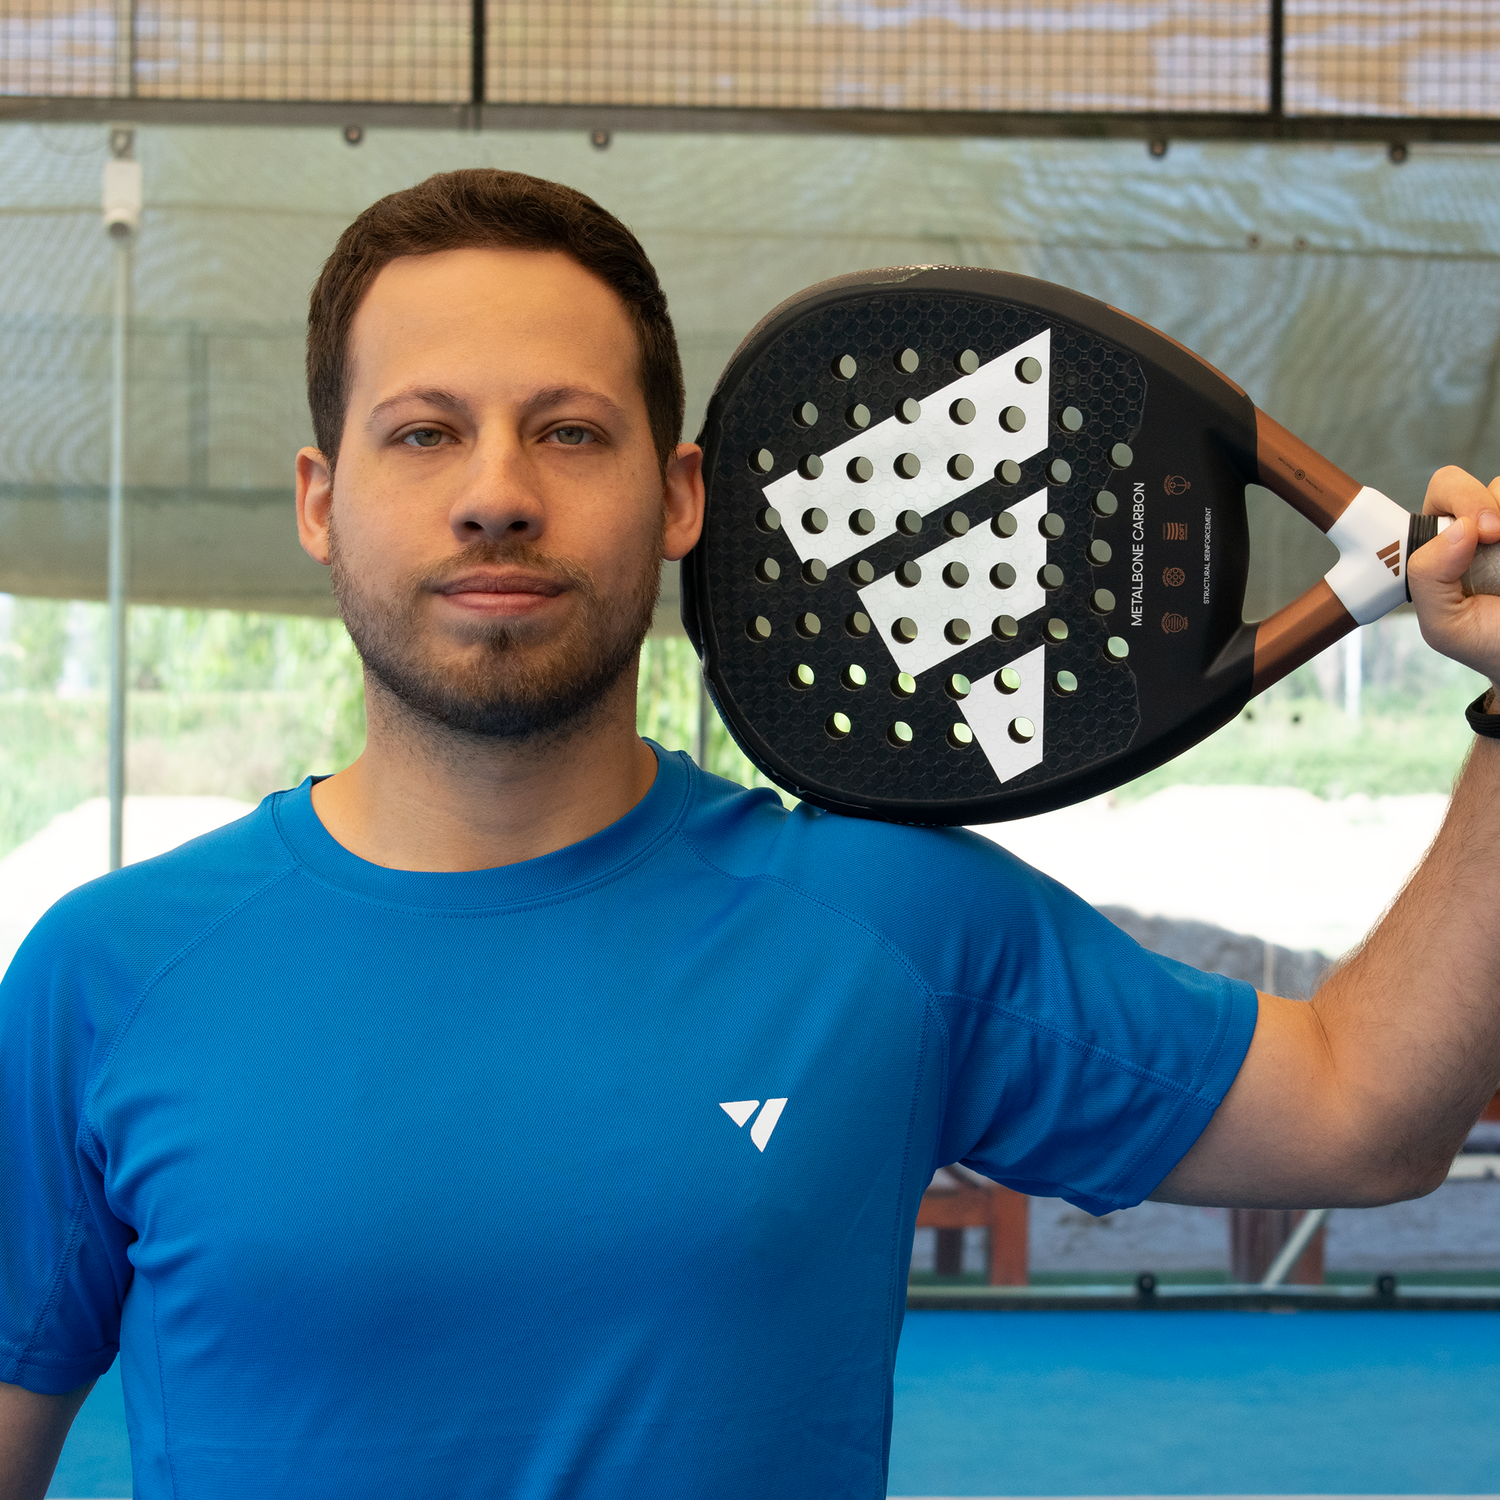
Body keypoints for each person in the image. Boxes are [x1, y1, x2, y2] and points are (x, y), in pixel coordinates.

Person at [2, 168, 1499, 1500]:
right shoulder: (102, 979)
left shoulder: (891, 924)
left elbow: (1366, 1115)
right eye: (424, 434)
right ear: (324, 502)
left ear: (677, 497)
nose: (498, 497)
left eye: (569, 432)